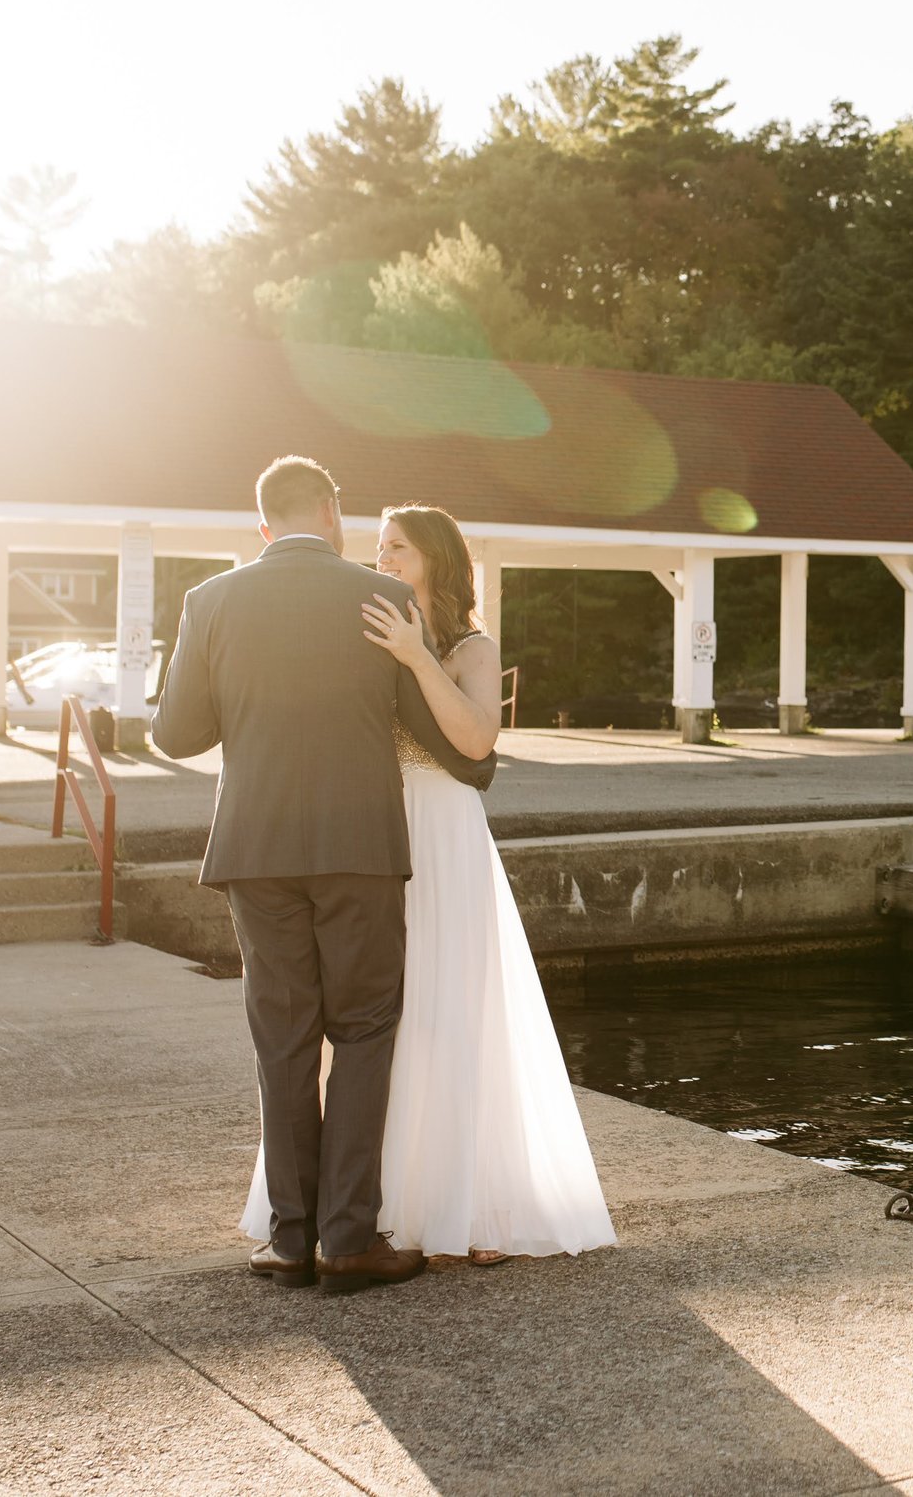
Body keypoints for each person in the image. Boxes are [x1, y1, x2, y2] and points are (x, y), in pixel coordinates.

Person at [240, 504, 617, 1266]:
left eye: (397, 549)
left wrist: (417, 656)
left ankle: (461, 1204)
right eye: (377, 548)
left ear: (436, 561)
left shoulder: (472, 647)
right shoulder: (359, 634)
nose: (382, 561)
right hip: (366, 831)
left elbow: (476, 738)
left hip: (443, 832)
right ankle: (355, 1209)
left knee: (447, 1006)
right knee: (370, 1021)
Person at [154, 457, 495, 1293]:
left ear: (262, 524)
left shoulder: (210, 600)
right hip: (360, 849)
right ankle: (348, 1239)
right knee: (365, 1029)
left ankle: (287, 1240)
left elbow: (174, 734)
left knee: (283, 1038)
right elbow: (442, 738)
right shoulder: (378, 600)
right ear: (334, 512)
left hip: (257, 850)